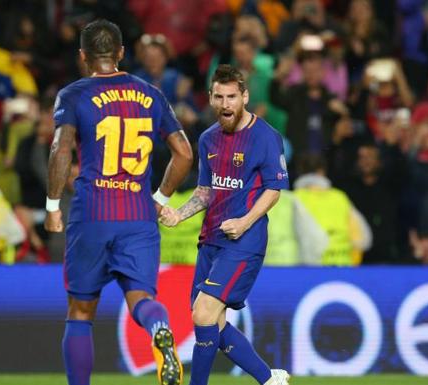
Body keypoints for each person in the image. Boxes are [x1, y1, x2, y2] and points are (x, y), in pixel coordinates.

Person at [44, 20, 193, 385]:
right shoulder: (152, 94)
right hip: (138, 216)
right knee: (140, 298)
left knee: (80, 311)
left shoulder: (75, 94)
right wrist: (158, 198)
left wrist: (51, 206)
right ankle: (159, 325)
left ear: (83, 56)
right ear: (122, 53)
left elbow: (60, 148)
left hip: (93, 212)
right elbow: (185, 155)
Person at [160, 65, 290, 385]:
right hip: (211, 241)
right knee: (211, 323)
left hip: (244, 241)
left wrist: (245, 222)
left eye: (232, 97)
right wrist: (179, 213)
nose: (225, 104)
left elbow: (273, 191)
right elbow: (206, 191)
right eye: (219, 97)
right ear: (211, 98)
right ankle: (270, 379)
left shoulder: (266, 137)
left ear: (244, 97)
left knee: (203, 313)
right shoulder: (207, 139)